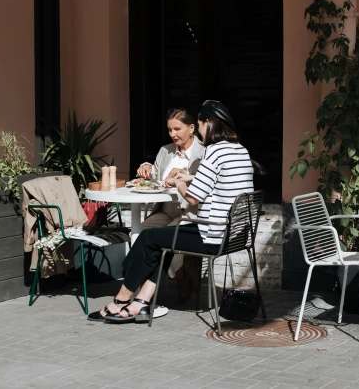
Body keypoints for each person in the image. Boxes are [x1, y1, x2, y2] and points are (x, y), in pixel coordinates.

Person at [98, 100, 255, 323]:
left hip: (213, 235)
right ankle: (141, 303)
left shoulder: (213, 151)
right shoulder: (240, 150)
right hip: (237, 236)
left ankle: (121, 299)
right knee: (161, 243)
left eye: (200, 124)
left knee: (147, 238)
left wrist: (176, 182)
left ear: (208, 124)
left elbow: (191, 197)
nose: (200, 130)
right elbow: (218, 180)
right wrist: (190, 177)